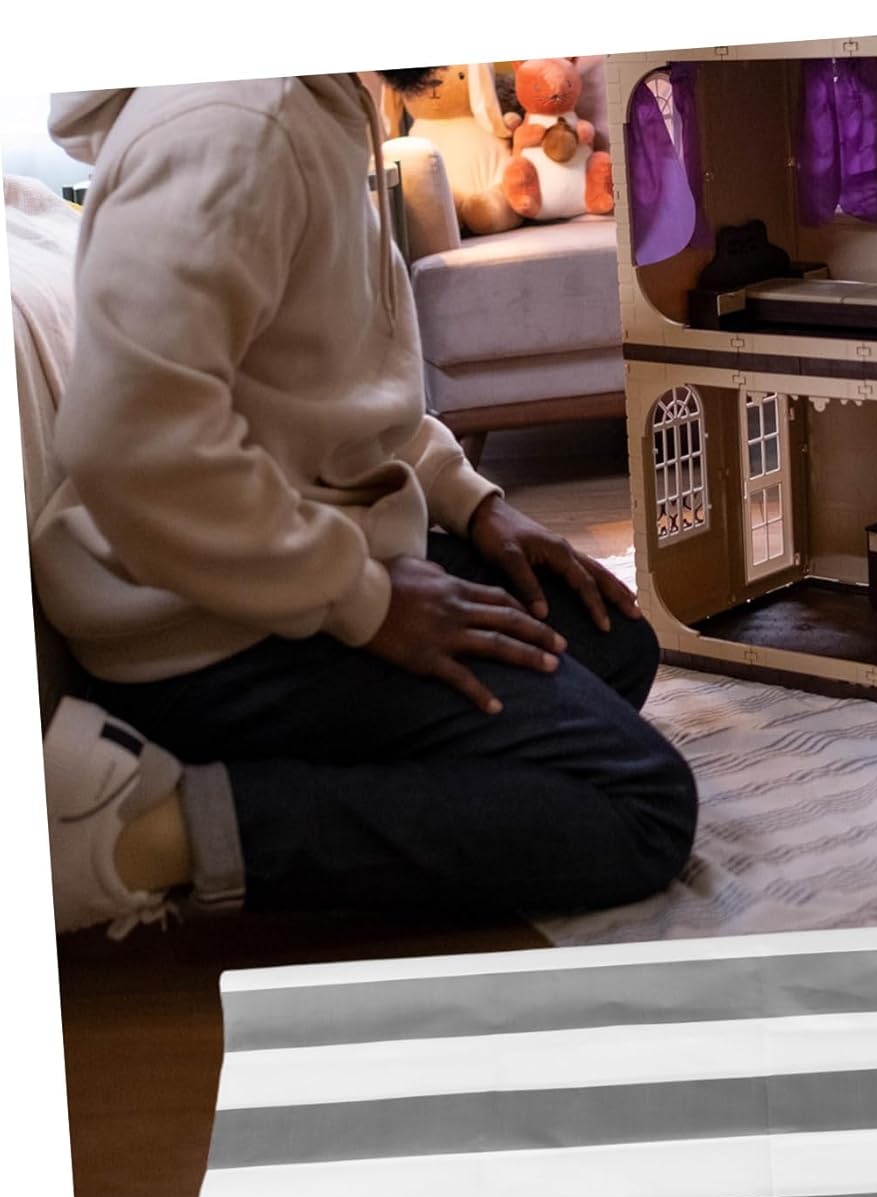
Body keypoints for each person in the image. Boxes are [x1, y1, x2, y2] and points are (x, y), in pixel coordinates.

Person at [34, 69, 697, 936]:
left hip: (295, 561)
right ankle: (146, 829)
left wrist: (474, 503)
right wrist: (368, 601)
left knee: (613, 643)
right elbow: (129, 443)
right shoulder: (236, 124)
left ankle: (312, 764)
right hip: (201, 626)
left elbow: (328, 398)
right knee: (639, 807)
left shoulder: (324, 99)